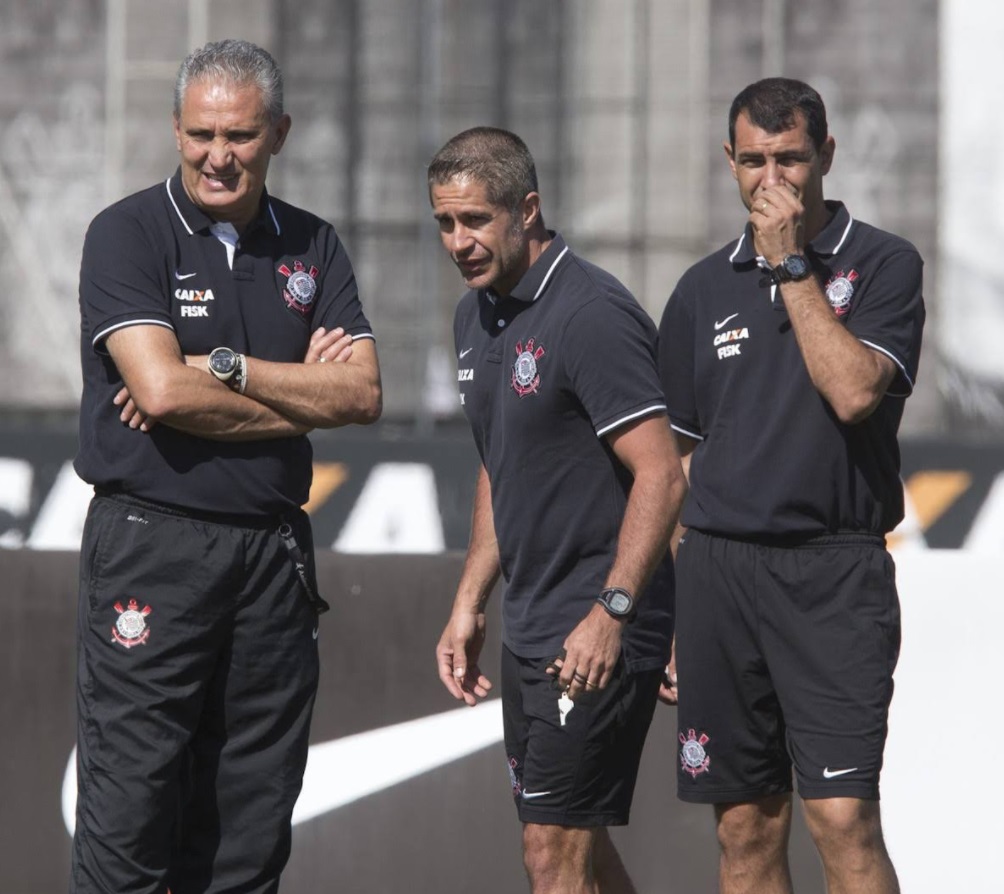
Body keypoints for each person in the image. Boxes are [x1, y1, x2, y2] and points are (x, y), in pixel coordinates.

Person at [71, 39, 381, 893]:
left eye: (240, 135)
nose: (219, 155)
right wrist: (292, 395)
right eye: (201, 133)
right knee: (129, 823)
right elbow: (163, 396)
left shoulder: (313, 246)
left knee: (248, 828)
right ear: (175, 127)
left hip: (271, 559)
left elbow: (360, 396)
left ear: (278, 133)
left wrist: (225, 369)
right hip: (151, 546)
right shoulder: (126, 233)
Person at [657, 77, 924, 893]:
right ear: (728, 163)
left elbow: (852, 391)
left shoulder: (884, 264)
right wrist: (668, 607)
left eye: (790, 158)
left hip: (833, 575)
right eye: (753, 160)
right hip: (719, 576)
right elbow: (678, 466)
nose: (771, 179)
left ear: (827, 156)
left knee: (842, 820)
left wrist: (792, 269)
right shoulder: (701, 290)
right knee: (745, 829)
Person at [429, 126, 687, 893]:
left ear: (527, 209)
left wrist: (612, 611)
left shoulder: (592, 312)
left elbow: (663, 477)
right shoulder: (472, 318)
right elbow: (498, 461)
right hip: (531, 626)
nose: (458, 241)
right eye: (445, 222)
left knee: (551, 852)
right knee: (577, 849)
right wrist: (471, 600)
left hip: (599, 629)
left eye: (475, 220)